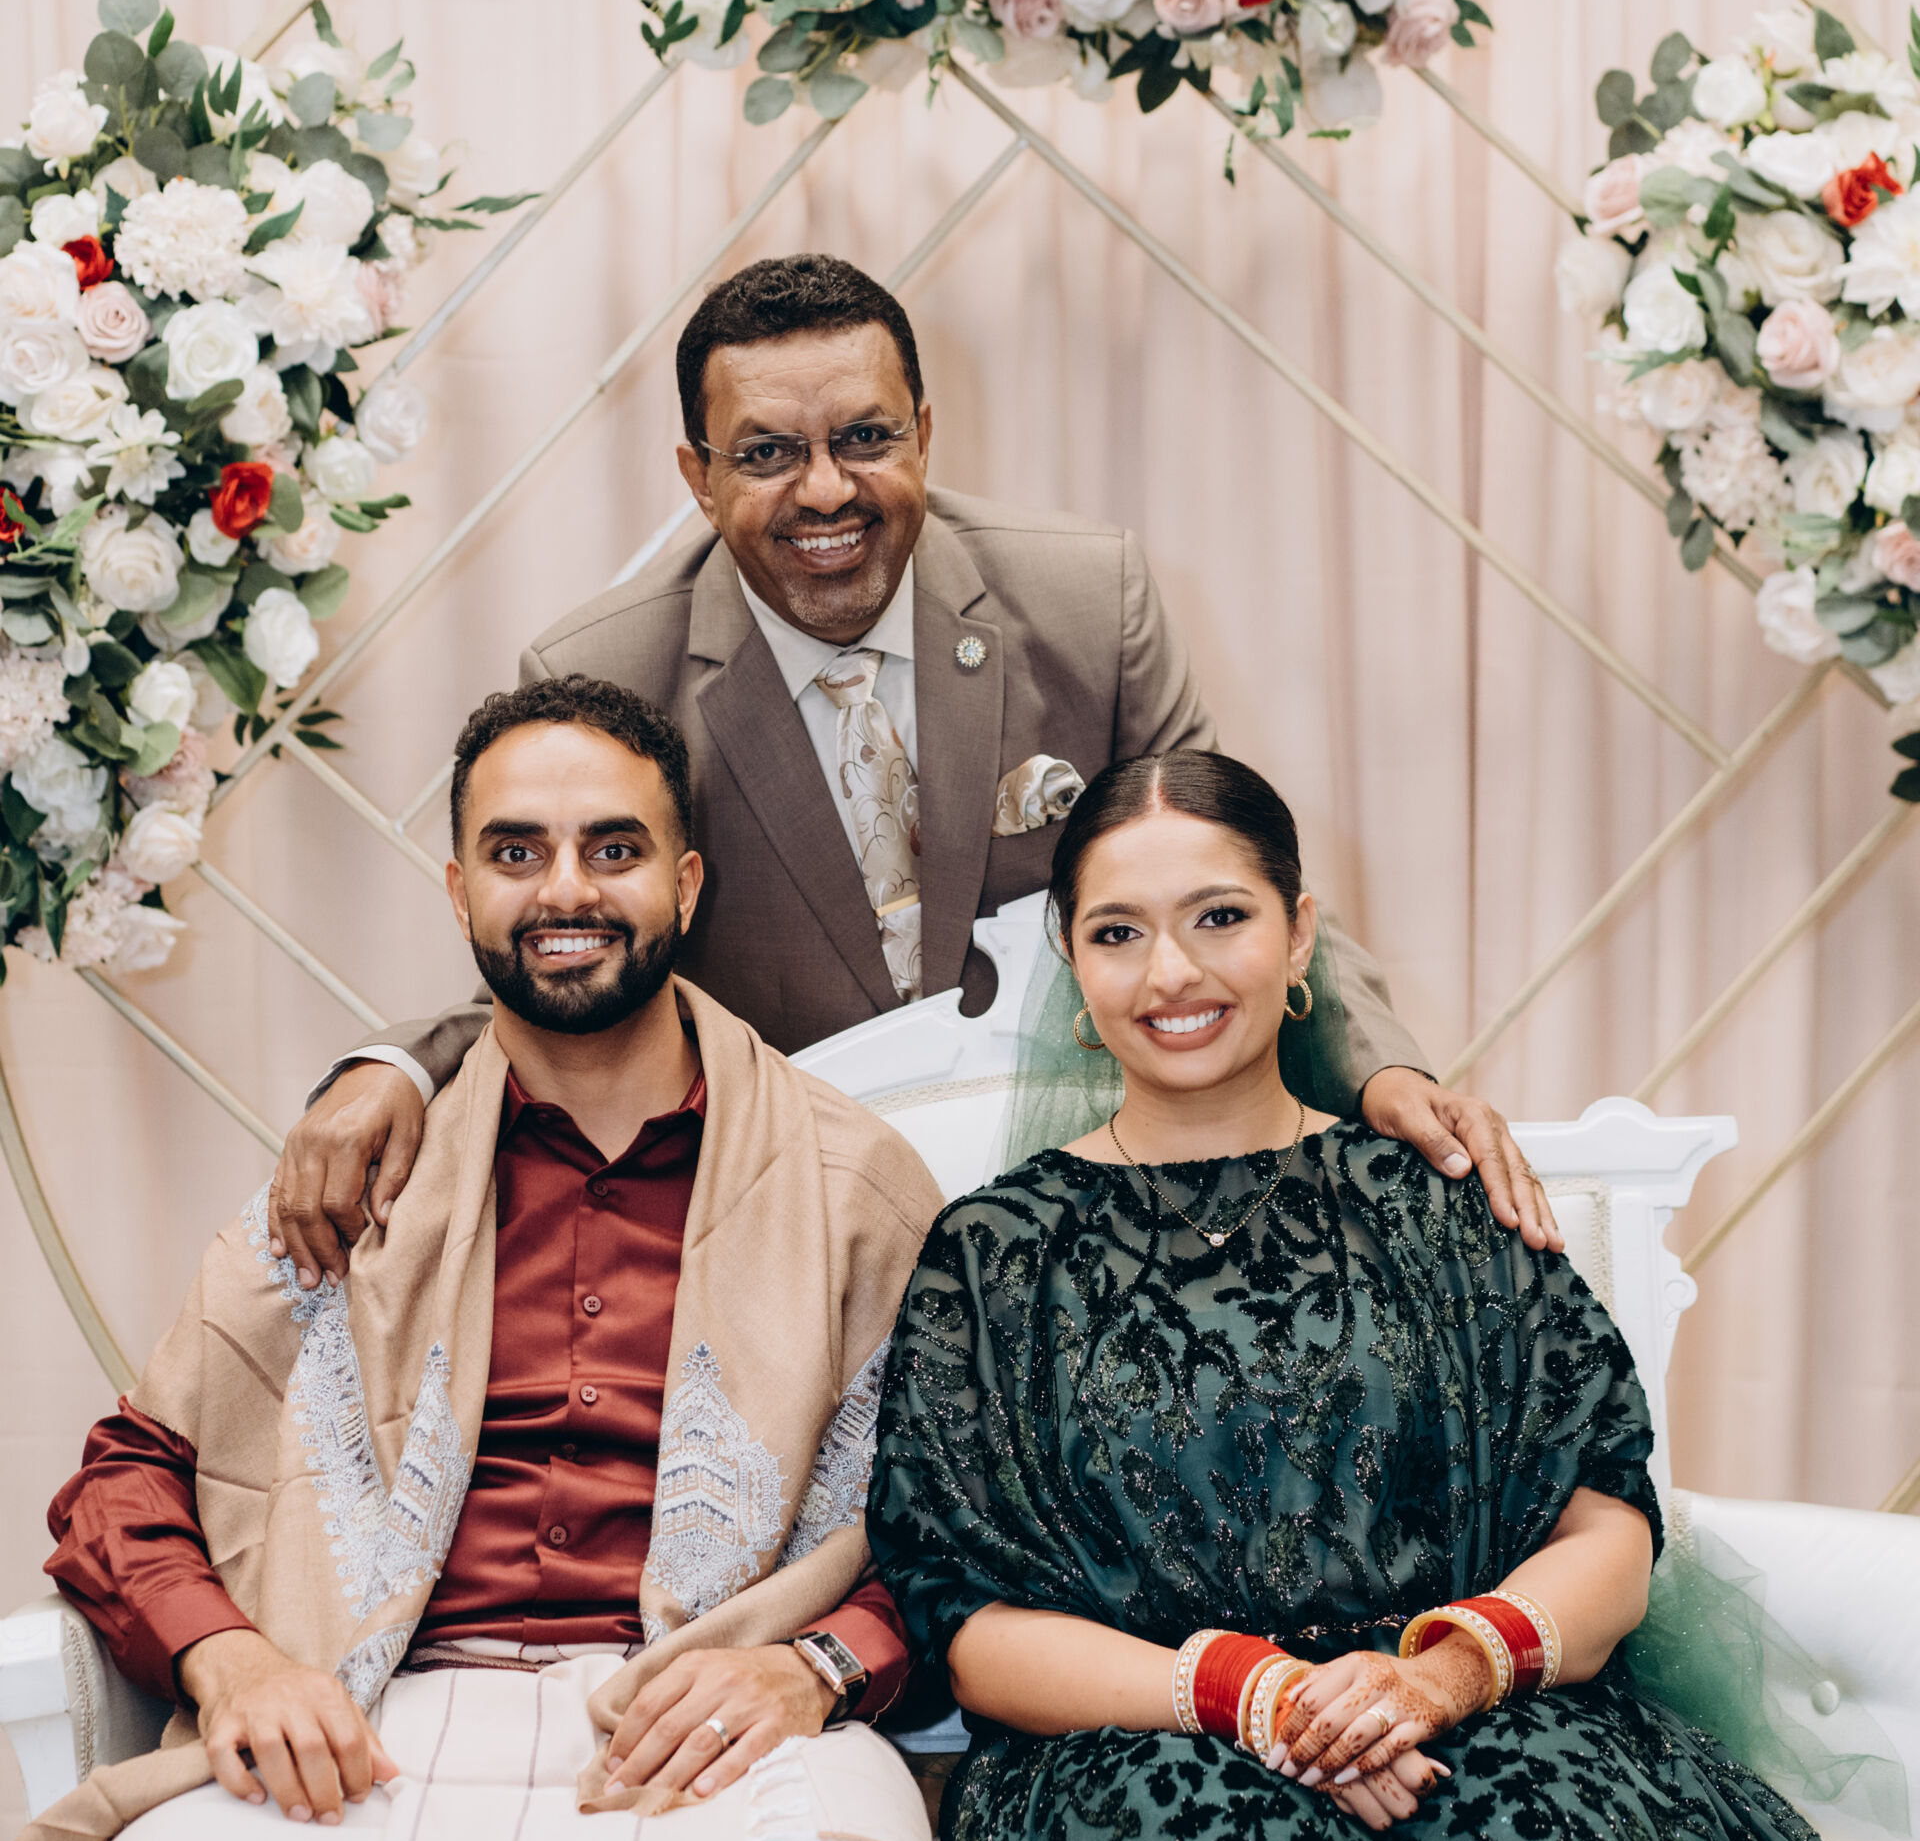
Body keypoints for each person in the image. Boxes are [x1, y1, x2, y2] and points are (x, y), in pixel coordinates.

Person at [865, 748, 1920, 1841]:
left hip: (1488, 1709)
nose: (1172, 974)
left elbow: (1608, 1524)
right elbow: (967, 1626)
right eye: (1119, 933)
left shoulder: (1444, 1202)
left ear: (1301, 936)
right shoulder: (996, 1254)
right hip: (1144, 1746)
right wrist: (1258, 1696)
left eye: (1220, 917)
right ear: (1072, 969)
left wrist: (1440, 1673)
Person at [21, 678, 964, 1841]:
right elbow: (132, 1472)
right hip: (379, 1705)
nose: (565, 890)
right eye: (517, 852)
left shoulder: (849, 1184)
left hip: (708, 1711)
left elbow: (966, 1522)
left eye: (613, 849)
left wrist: (814, 1665)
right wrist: (231, 1661)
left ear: (686, 882)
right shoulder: (354, 1179)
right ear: (458, 889)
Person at [265, 251, 1558, 1291]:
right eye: (767, 453)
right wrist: (394, 1068)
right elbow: (567, 948)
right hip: (795, 1242)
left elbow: (1228, 891)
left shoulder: (1085, 603)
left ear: (926, 435)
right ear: (697, 478)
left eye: (866, 437)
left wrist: (1386, 1075)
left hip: (1093, 1217)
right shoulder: (608, 670)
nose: (826, 490)